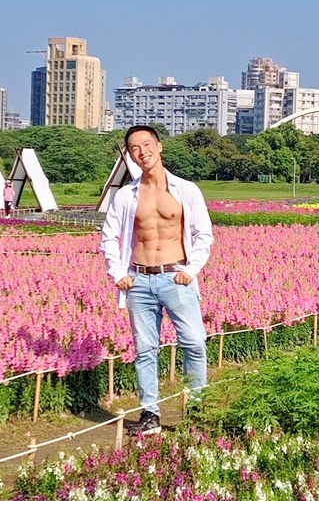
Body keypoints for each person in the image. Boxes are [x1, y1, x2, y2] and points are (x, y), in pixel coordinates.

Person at [100, 125, 214, 436]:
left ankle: (195, 408)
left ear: (159, 147)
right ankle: (150, 413)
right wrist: (118, 273)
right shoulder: (126, 195)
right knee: (145, 349)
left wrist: (190, 271)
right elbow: (109, 236)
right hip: (139, 279)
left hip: (176, 278)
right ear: (130, 155)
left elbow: (203, 235)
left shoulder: (185, 190)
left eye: (147, 144)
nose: (142, 151)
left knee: (194, 342)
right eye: (135, 148)